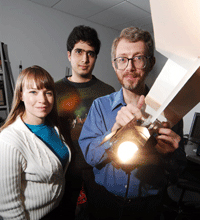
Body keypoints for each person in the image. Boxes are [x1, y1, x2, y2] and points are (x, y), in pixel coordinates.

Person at [78, 27, 187, 220]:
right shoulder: (100, 107)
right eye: (122, 59)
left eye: (138, 58)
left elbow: (178, 170)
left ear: (151, 63)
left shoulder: (170, 113)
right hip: (104, 203)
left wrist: (170, 156)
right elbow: (89, 155)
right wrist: (113, 134)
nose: (129, 67)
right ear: (114, 65)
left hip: (147, 208)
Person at [55, 25, 115, 218]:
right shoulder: (53, 91)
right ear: (69, 55)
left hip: (97, 171)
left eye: (91, 53)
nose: (84, 59)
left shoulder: (108, 93)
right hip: (64, 171)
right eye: (79, 51)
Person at [0, 65, 71, 220]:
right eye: (33, 92)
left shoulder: (54, 126)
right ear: (21, 95)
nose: (43, 100)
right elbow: (8, 208)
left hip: (59, 210)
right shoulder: (8, 141)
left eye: (48, 93)